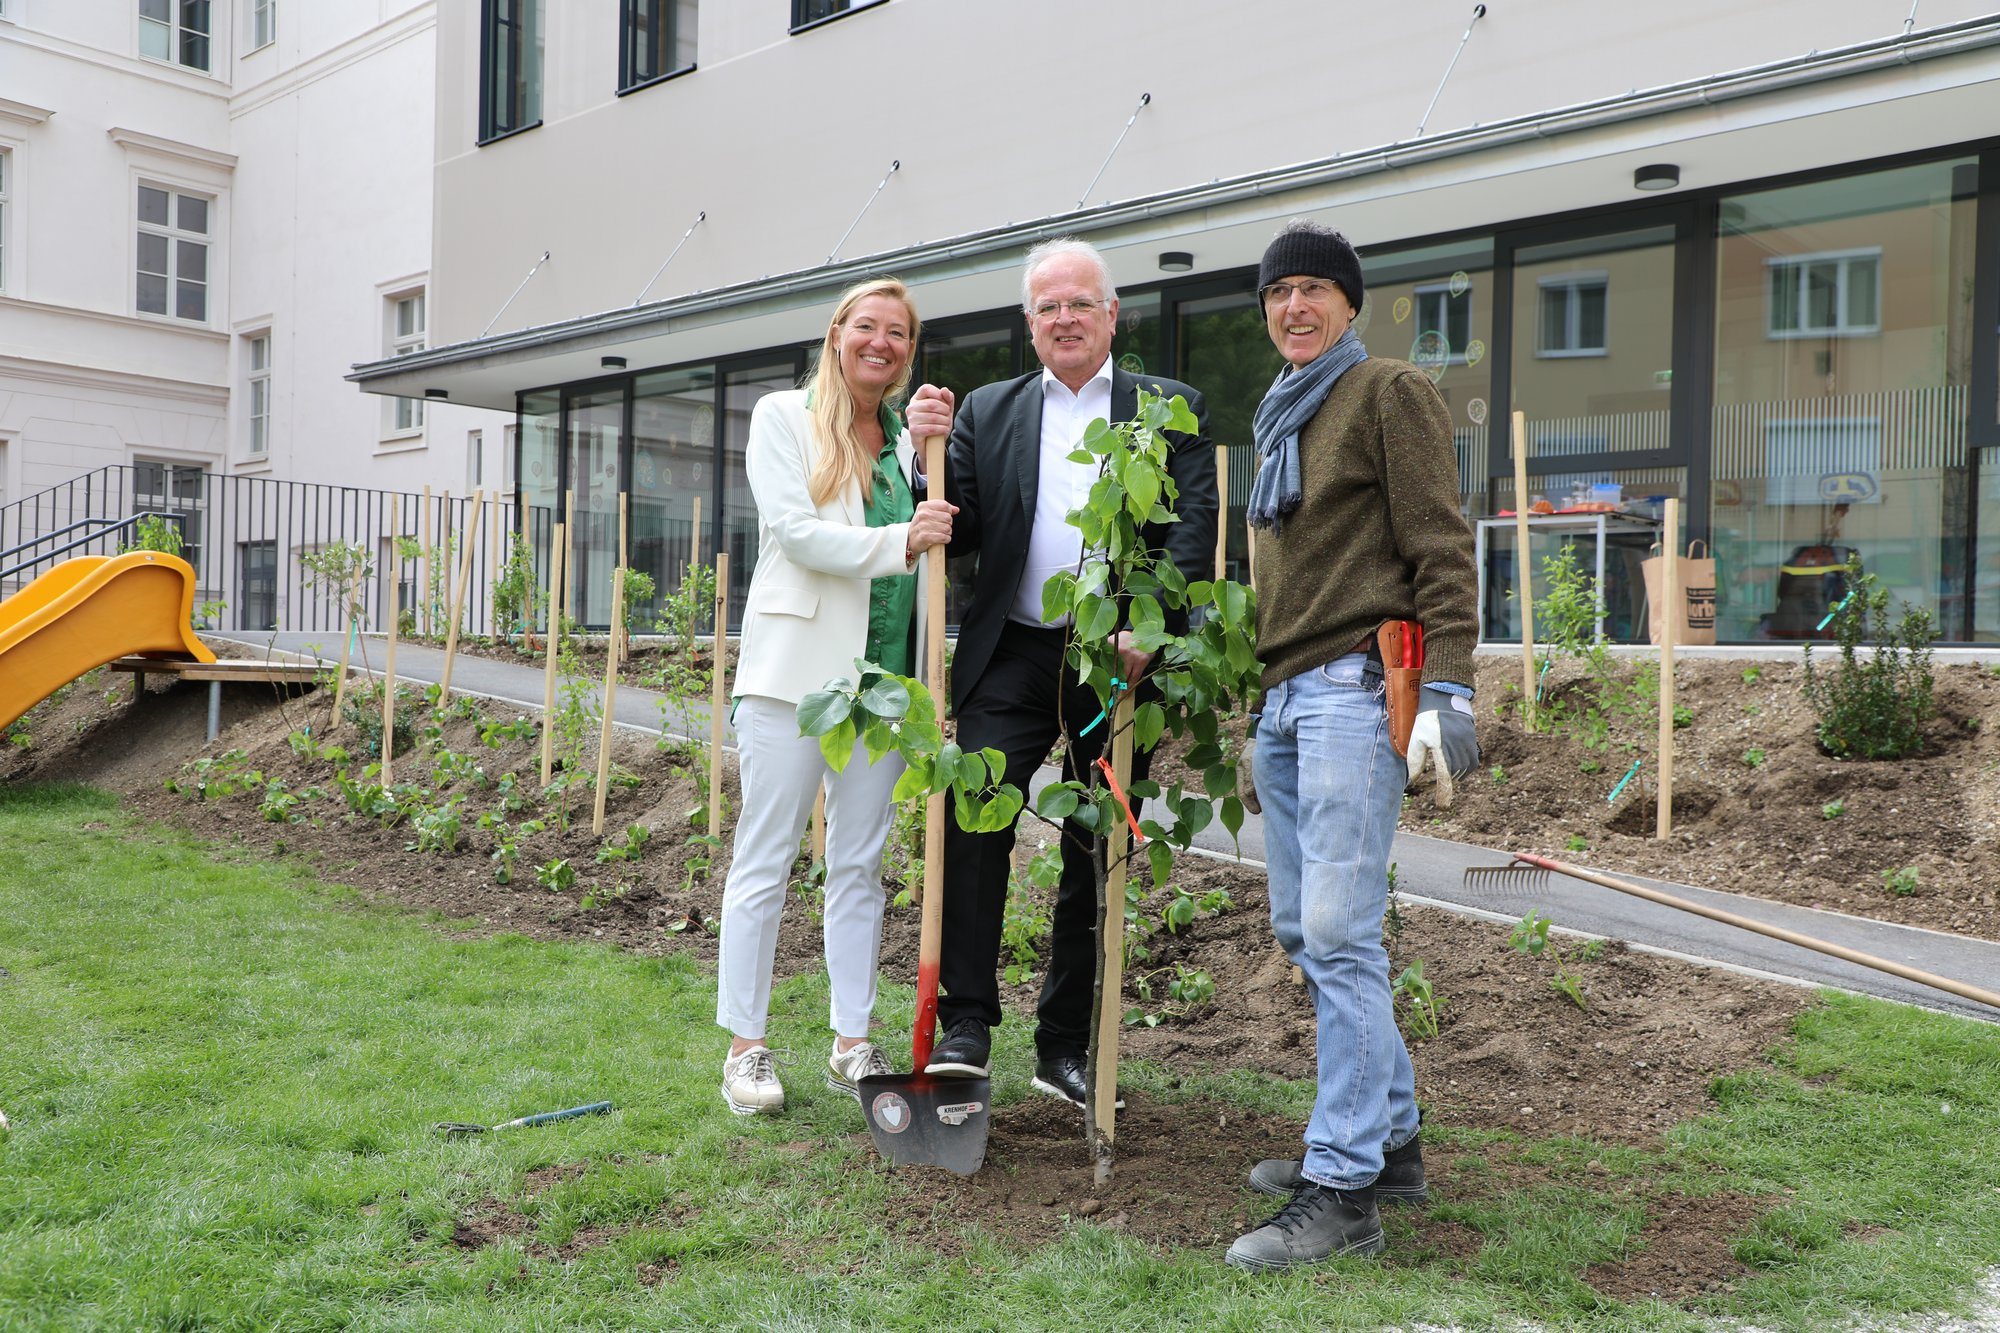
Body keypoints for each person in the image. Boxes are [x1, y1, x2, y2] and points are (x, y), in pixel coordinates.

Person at [1224, 219, 1480, 1271]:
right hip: (1285, 697)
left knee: (1338, 933)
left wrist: (1448, 688)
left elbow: (1438, 541)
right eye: (1278, 291)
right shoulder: (1280, 414)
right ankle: (1394, 1142)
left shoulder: (1384, 391)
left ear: (1347, 304)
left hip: (1351, 689)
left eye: (1313, 290)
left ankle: (1343, 1190)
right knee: (1303, 927)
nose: (1293, 306)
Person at [924, 238, 1217, 1105]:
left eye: (1080, 304)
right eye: (1048, 307)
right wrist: (924, 459)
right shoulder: (989, 408)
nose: (1064, 320)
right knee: (975, 825)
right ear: (1029, 323)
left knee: (1100, 841)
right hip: (1011, 648)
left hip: (1114, 657)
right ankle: (967, 1023)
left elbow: (1192, 528)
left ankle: (1065, 1045)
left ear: (1112, 314)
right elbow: (962, 527)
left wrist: (1153, 622)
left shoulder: (1170, 408)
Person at [715, 277, 958, 1117]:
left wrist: (934, 447)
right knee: (766, 857)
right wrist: (903, 538)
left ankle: (852, 1040)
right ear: (837, 333)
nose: (881, 343)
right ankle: (746, 1050)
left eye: (898, 333)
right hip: (795, 677)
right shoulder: (782, 417)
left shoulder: (904, 439)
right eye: (868, 326)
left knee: (859, 864)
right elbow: (796, 532)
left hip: (883, 683)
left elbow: (941, 517)